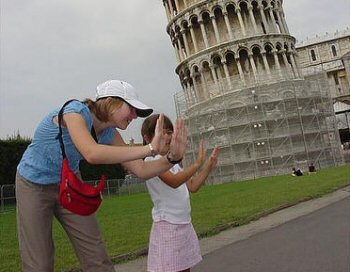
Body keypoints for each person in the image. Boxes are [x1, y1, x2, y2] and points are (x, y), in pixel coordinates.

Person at [15, 80, 188, 272]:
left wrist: (172, 158)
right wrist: (149, 149)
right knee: (39, 264)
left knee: (97, 258)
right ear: (110, 101)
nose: (134, 115)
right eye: (131, 108)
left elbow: (141, 170)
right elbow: (92, 153)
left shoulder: (109, 134)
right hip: (33, 184)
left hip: (68, 184)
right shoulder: (74, 112)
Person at [141, 114, 220, 272]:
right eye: (162, 132)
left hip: (183, 223)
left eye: (170, 132)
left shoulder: (172, 162)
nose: (168, 136)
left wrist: (209, 166)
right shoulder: (151, 161)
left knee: (184, 267)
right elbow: (174, 181)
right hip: (168, 224)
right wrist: (197, 163)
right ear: (148, 137)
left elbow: (192, 186)